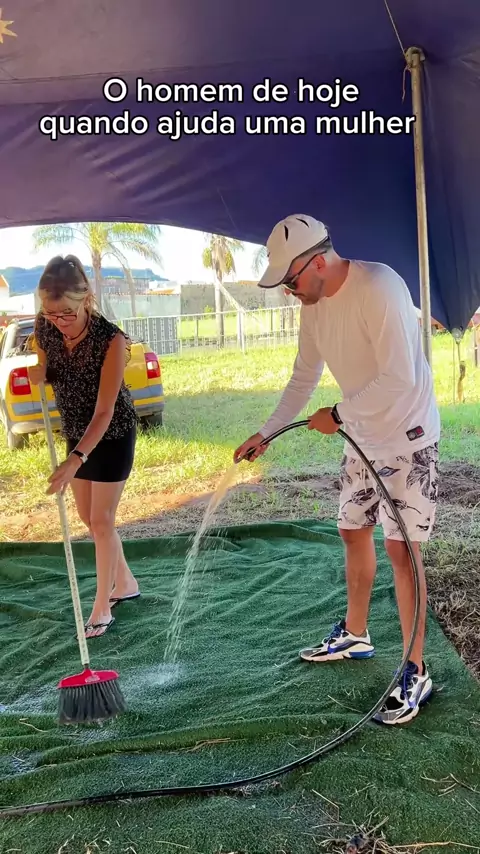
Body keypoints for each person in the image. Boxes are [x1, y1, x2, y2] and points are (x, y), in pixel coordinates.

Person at [234, 214, 440, 726]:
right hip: (361, 435)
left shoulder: (380, 287)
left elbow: (400, 379)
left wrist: (340, 414)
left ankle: (416, 669)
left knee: (402, 551)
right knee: (352, 529)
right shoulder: (314, 305)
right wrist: (267, 431)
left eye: (291, 280)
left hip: (407, 435)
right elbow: (303, 376)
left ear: (319, 262)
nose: (289, 292)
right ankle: (355, 633)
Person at [28, 255, 140, 639]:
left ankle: (102, 605)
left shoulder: (111, 341)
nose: (59, 321)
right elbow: (50, 367)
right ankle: (126, 582)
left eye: (67, 313)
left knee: (102, 519)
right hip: (76, 431)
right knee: (88, 519)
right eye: (50, 313)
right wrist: (41, 373)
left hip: (112, 433)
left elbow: (105, 411)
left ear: (86, 298)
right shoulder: (45, 327)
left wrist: (76, 459)